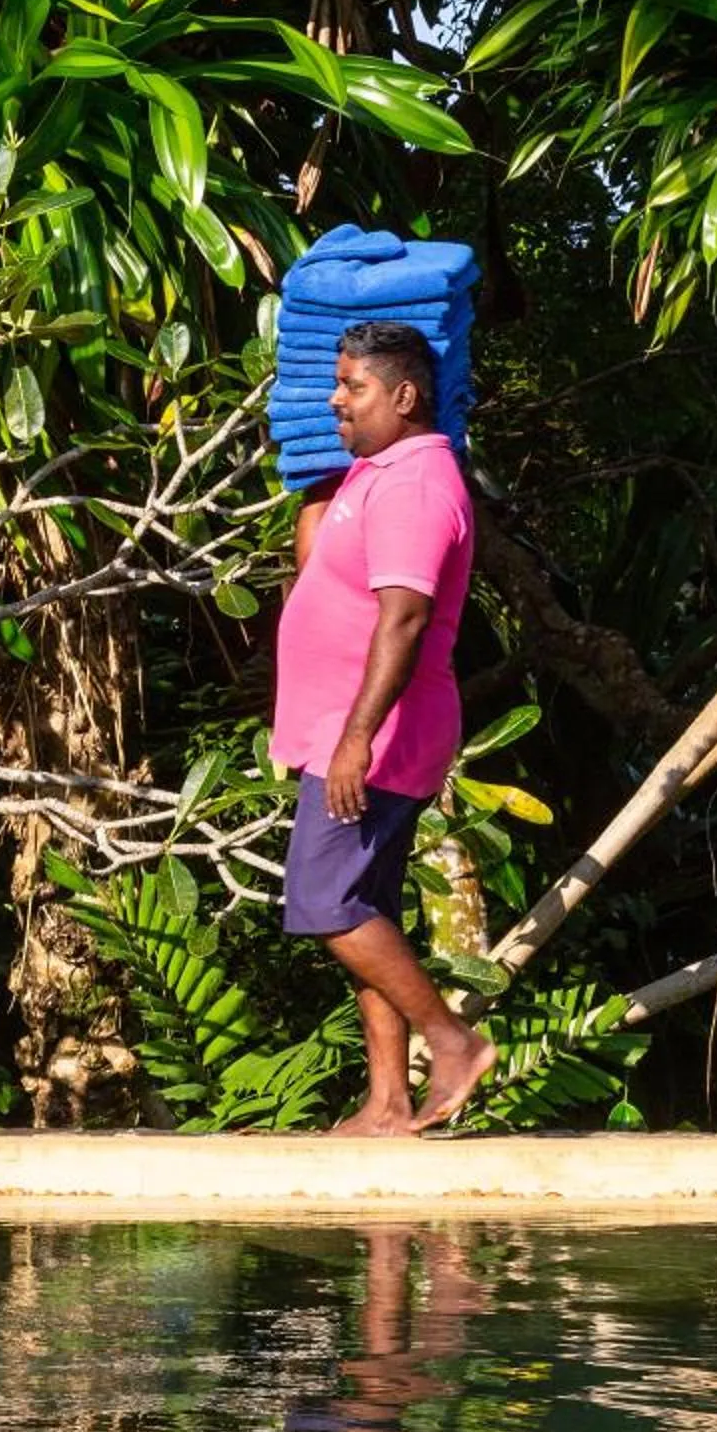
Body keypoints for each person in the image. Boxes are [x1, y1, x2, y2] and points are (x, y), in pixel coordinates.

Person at [271, 320, 497, 1135]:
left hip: (378, 736)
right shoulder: (373, 476)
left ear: (404, 396)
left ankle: (454, 1042)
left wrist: (356, 739)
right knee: (365, 907)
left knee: (324, 898)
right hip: (349, 731)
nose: (336, 399)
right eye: (334, 384)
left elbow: (403, 620)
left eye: (353, 387)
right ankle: (389, 1101)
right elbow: (313, 577)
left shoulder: (415, 486)